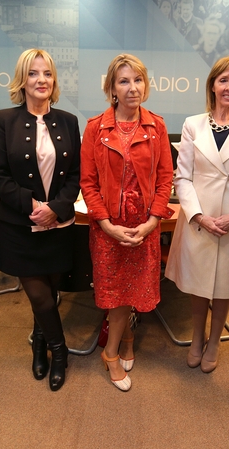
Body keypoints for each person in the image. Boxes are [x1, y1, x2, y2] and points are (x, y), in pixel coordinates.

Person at [0, 49, 80, 391]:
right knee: (39, 296)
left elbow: (75, 176)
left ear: (54, 81)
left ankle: (39, 344)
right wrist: (32, 204)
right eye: (34, 73)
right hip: (20, 225)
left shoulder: (68, 120)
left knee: (51, 292)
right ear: (22, 80)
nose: (41, 80)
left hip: (57, 225)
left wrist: (56, 206)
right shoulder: (3, 119)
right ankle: (60, 351)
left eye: (48, 74)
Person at [166, 56, 229, 373]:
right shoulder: (192, 123)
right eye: (224, 80)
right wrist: (198, 215)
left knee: (224, 283)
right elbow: (181, 177)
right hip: (199, 219)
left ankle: (214, 341)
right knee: (198, 282)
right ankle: (197, 337)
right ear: (212, 84)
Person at [80, 54, 174, 392]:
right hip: (109, 229)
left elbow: (166, 180)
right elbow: (88, 183)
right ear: (111, 89)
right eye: (123, 81)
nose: (132, 88)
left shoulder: (156, 126)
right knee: (115, 295)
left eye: (137, 80)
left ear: (145, 85)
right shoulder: (95, 128)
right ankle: (110, 353)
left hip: (144, 227)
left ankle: (127, 336)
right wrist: (105, 223)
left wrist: (152, 223)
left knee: (134, 292)